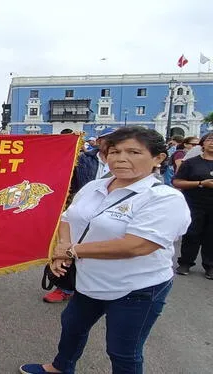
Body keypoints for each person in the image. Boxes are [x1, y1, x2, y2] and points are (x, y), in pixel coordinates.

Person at [20, 126, 191, 374]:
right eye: (114, 151)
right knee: (72, 326)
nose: (121, 158)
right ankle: (61, 367)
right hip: (89, 280)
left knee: (123, 350)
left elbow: (137, 245)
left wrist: (72, 251)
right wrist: (62, 246)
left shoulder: (164, 198)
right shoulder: (95, 187)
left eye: (133, 152)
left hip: (136, 287)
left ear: (158, 158)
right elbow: (68, 217)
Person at [43, 129, 114, 303]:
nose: (113, 143)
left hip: (111, 212)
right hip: (82, 207)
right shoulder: (83, 159)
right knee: (68, 242)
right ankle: (64, 287)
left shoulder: (126, 164)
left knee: (102, 247)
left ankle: (97, 287)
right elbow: (64, 176)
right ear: (98, 141)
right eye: (108, 139)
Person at [173, 131, 213, 279]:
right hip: (194, 204)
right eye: (209, 139)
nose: (212, 142)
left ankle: (210, 265)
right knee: (192, 233)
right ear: (203, 143)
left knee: (211, 236)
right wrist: (201, 183)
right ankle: (185, 262)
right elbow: (177, 182)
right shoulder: (191, 162)